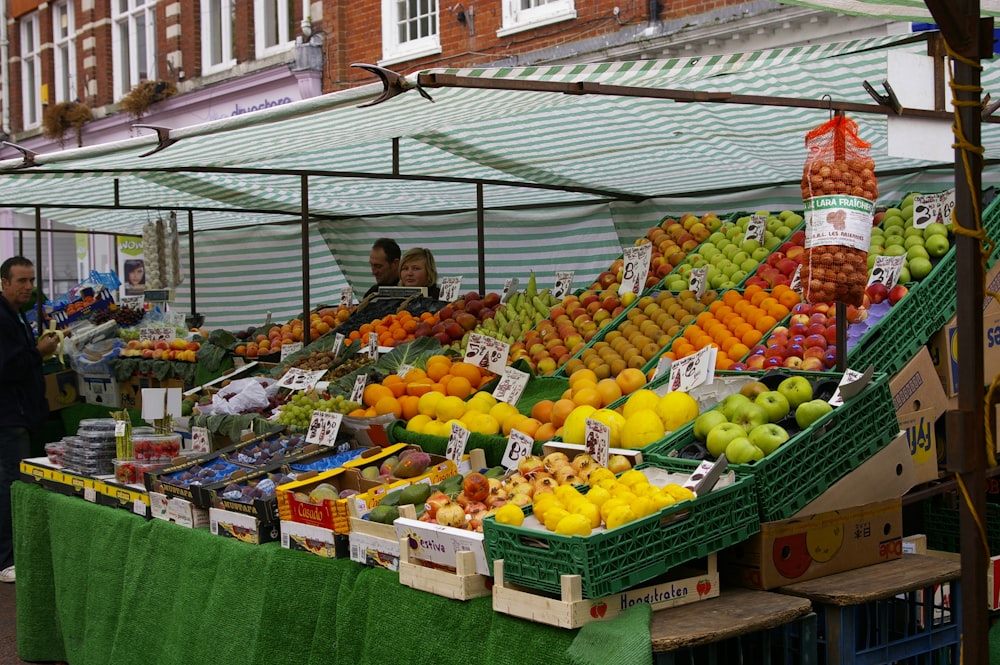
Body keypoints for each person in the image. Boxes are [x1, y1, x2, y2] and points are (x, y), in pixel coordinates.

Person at [0, 257, 58, 584]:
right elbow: (7, 368)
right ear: (4, 282)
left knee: (15, 484)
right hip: (9, 418)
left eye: (31, 280)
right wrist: (39, 351)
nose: (28, 287)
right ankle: (6, 558)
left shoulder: (16, 315)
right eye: (21, 281)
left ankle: (14, 552)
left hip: (20, 415)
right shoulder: (2, 318)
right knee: (9, 486)